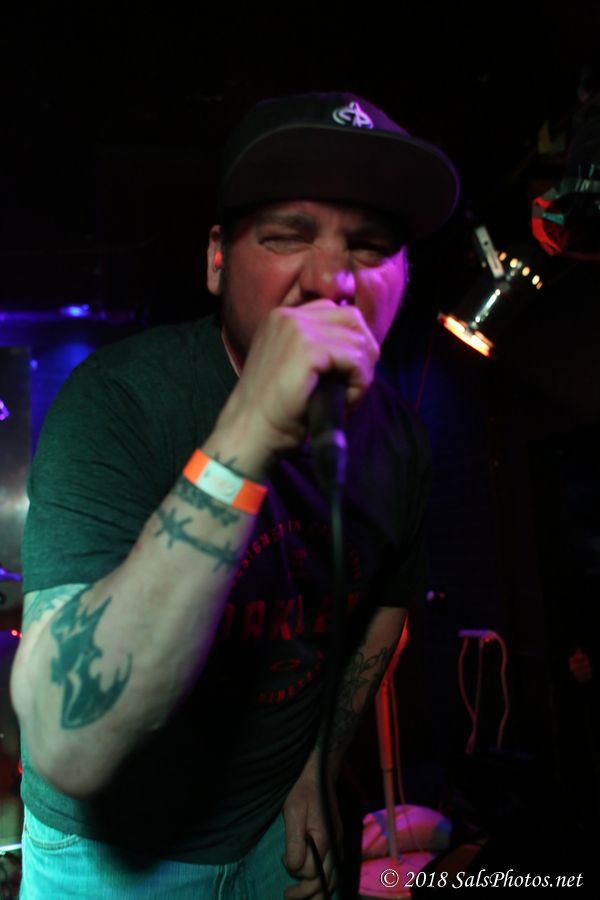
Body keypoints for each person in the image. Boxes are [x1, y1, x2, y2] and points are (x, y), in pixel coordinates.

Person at [10, 91, 459, 899]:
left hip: (270, 835)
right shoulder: (120, 403)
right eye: (287, 235)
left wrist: (316, 763)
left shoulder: (400, 440)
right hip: (109, 857)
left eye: (371, 245)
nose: (332, 278)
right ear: (217, 260)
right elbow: (65, 744)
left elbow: (383, 609)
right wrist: (246, 432)